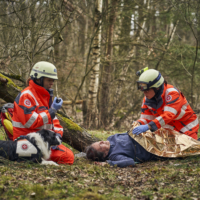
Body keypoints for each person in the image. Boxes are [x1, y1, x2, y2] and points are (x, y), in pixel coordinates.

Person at [12, 61, 74, 165]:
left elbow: (53, 121)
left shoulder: (44, 96)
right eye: (49, 80)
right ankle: (35, 159)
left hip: (43, 142)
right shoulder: (26, 96)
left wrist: (58, 135)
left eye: (53, 80)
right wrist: (52, 111)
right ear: (38, 79)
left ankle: (38, 159)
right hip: (26, 141)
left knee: (68, 157)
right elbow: (31, 122)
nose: (52, 83)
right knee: (67, 157)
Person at [132, 69, 199, 140]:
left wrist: (148, 126)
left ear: (157, 88)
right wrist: (138, 124)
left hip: (187, 128)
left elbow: (168, 115)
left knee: (191, 150)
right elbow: (146, 118)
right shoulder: (147, 99)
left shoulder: (172, 93)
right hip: (169, 131)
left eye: (147, 90)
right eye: (143, 90)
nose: (144, 93)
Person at [86, 132, 165, 168]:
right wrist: (108, 164)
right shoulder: (115, 155)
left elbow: (128, 133)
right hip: (156, 148)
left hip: (153, 134)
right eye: (100, 145)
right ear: (105, 154)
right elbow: (130, 162)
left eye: (99, 142)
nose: (102, 141)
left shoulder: (111, 138)